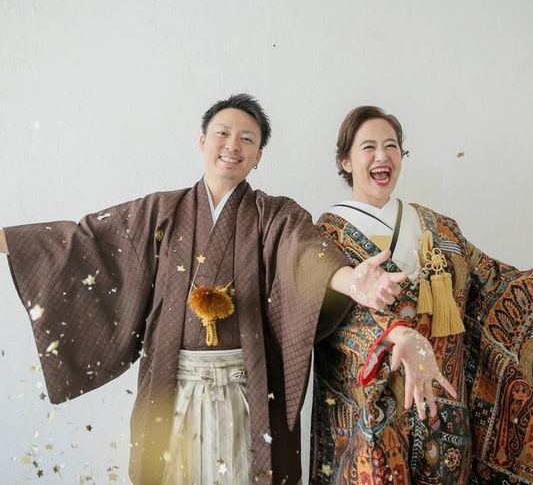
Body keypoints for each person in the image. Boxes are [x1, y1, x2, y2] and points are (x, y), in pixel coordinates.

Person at [0, 95, 403, 485]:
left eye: (247, 139)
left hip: (247, 392)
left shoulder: (274, 215)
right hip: (173, 388)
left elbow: (307, 255)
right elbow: (88, 241)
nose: (233, 145)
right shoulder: (160, 212)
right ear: (202, 141)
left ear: (259, 155)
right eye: (222, 133)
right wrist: (8, 242)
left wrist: (351, 280)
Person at [310, 106, 533, 484]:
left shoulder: (437, 227)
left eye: (392, 146)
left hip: (443, 403)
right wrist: (392, 334)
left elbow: (491, 283)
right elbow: (321, 317)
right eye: (368, 147)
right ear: (346, 160)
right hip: (371, 408)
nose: (382, 155)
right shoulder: (323, 237)